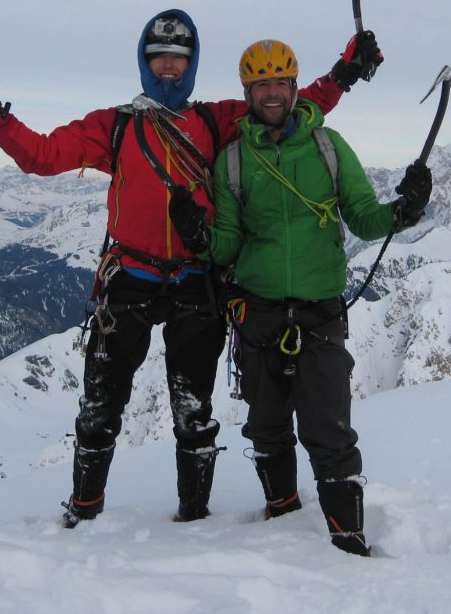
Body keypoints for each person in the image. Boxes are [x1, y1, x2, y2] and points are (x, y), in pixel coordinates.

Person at [0, 10, 383, 526]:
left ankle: (192, 520)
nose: (169, 70)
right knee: (99, 409)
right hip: (131, 277)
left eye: (178, 59)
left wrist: (344, 74)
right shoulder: (114, 127)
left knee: (194, 413)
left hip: (196, 279)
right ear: (144, 62)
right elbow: (42, 155)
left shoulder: (215, 120)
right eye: (159, 59)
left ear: (192, 63)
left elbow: (283, 104)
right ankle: (83, 513)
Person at [167, 38, 433, 555]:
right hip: (258, 311)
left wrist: (404, 210)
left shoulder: (329, 148)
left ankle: (347, 542)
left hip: (319, 312)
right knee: (265, 428)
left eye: (280, 83)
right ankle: (283, 524)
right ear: (248, 91)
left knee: (330, 431)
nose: (271, 93)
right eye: (261, 84)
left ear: (294, 87)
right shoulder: (234, 162)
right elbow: (228, 243)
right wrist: (199, 235)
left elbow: (362, 215)